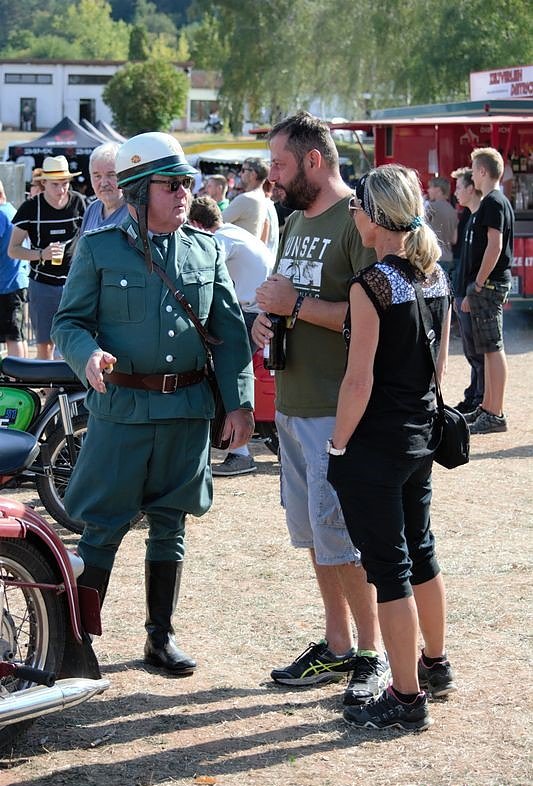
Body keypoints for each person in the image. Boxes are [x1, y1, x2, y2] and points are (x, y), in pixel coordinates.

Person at [51, 132, 254, 675]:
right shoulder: (99, 247)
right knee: (103, 528)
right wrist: (87, 354)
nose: (185, 192)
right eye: (173, 184)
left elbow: (230, 333)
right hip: (122, 412)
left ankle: (159, 639)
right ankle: (76, 644)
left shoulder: (206, 248)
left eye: (188, 182)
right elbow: (68, 322)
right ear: (139, 192)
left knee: (172, 526)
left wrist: (239, 406)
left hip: (186, 411)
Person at [252, 112, 387, 706]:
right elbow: (289, 297)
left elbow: (372, 316)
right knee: (315, 535)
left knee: (346, 538)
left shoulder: (356, 218)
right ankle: (336, 647)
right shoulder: (293, 221)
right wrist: (268, 316)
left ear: (313, 160)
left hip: (339, 410)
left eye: (280, 164)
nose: (271, 176)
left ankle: (372, 652)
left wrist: (296, 303)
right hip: (293, 403)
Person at [327, 165, 453, 732]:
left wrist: (338, 443)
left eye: (357, 205)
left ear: (375, 218)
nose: (352, 213)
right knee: (420, 549)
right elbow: (440, 366)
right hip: (420, 435)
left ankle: (405, 696)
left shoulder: (371, 284)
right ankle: (435, 664)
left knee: (389, 566)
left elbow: (358, 382)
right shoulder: (435, 278)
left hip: (377, 443)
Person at [189, 195, 275, 476]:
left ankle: (239, 452)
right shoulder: (234, 232)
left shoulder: (220, 240)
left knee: (222, 373)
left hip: (254, 314)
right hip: (258, 309)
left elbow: (201, 270)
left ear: (196, 224)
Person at [8, 156, 86, 360]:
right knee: (45, 344)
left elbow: (90, 237)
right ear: (43, 183)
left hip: (75, 284)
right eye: (55, 185)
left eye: (65, 183)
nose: (62, 190)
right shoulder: (30, 207)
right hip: (42, 285)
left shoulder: (79, 202)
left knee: (78, 339)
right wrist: (42, 254)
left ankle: (72, 389)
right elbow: (13, 250)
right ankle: (48, 390)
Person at [461, 147, 514, 435]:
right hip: (492, 283)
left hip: (489, 284)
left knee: (493, 349)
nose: (471, 174)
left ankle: (494, 412)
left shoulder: (493, 202)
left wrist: (479, 282)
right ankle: (489, 408)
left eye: (473, 169)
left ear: (482, 171)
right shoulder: (499, 200)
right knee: (490, 349)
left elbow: (494, 245)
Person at [451, 167, 484, 415]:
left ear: (471, 188)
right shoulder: (467, 217)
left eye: (459, 187)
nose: (456, 192)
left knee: (479, 353)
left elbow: (481, 261)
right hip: (462, 291)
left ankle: (480, 398)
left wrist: (470, 294)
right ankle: (473, 394)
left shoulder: (481, 217)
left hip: (470, 294)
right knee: (471, 352)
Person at [0, 182, 28, 357]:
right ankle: (21, 379)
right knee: (18, 334)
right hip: (16, 281)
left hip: (7, 284)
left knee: (13, 336)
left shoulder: (1, 214)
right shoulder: (11, 210)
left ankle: (16, 381)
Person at [79, 142, 128, 234]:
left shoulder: (135, 213)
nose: (104, 183)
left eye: (111, 175)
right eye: (97, 176)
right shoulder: (91, 209)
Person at [223, 158, 269, 240]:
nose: (240, 174)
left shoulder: (246, 198)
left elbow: (217, 222)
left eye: (243, 170)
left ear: (253, 174)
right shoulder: (262, 198)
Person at [425, 177, 458, 284]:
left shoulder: (431, 207)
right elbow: (454, 239)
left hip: (433, 258)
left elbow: (418, 224)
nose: (428, 190)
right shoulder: (453, 211)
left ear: (438, 190)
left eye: (430, 187)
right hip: (448, 258)